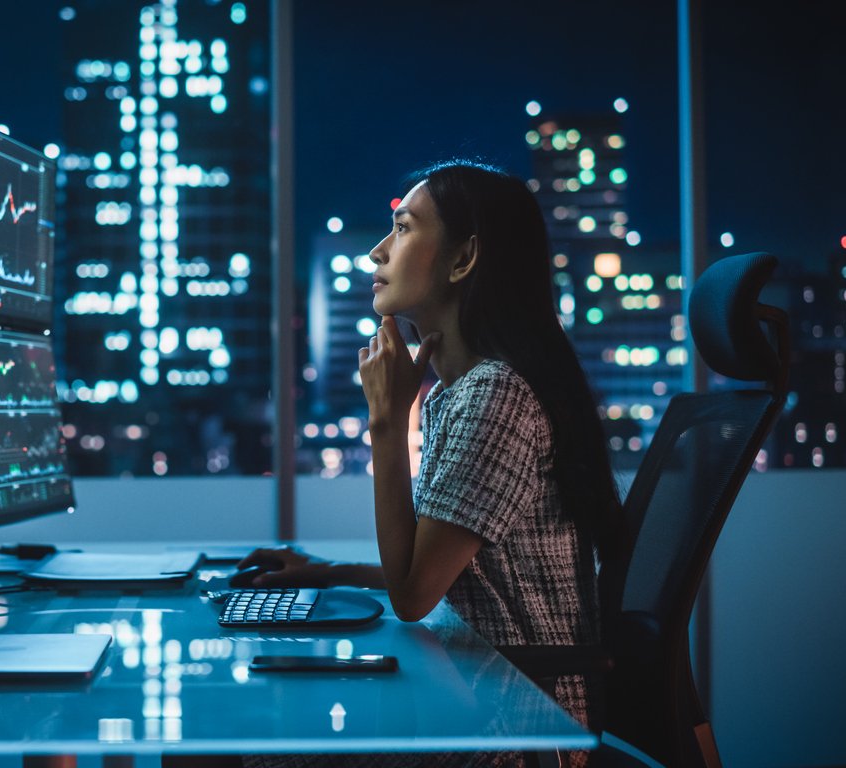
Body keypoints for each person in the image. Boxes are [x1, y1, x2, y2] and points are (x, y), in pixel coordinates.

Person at [238, 159, 626, 765]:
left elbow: (414, 593)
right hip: (476, 692)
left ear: (463, 258)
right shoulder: (464, 391)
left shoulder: (496, 394)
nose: (376, 252)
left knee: (234, 741)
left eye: (402, 228)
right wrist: (327, 571)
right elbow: (443, 575)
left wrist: (387, 422)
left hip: (515, 728)